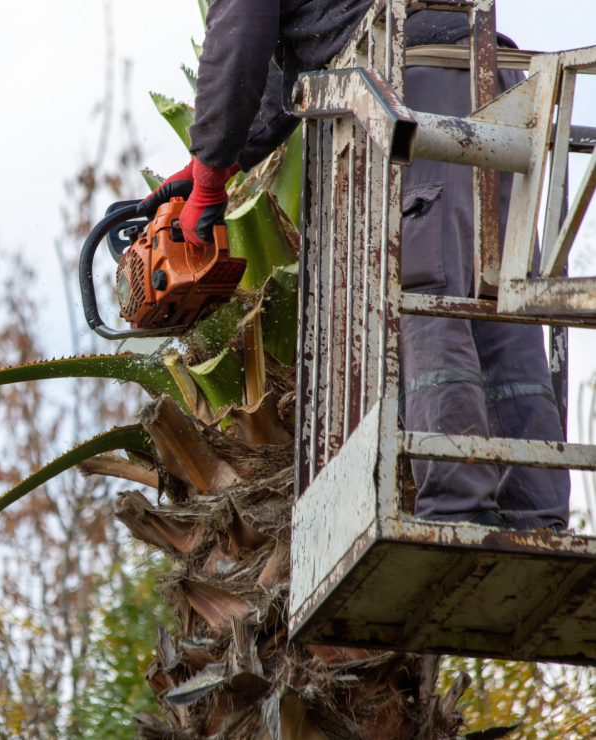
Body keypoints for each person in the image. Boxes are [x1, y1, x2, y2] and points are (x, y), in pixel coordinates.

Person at [139, 1, 569, 531]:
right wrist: (215, 161)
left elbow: (242, 29)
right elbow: (298, 68)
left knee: (427, 289)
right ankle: (537, 513)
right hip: (495, 82)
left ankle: (458, 509)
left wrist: (208, 180)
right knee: (498, 306)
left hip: (411, 87)